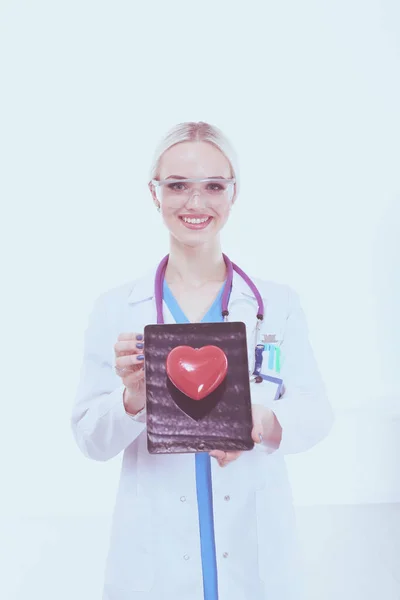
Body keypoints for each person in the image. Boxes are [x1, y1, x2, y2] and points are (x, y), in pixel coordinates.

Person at [71, 121, 334, 600]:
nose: (195, 203)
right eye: (177, 186)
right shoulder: (116, 309)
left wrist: (257, 422)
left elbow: (316, 412)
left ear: (234, 194)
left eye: (213, 186)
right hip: (155, 563)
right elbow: (89, 439)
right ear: (154, 194)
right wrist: (131, 399)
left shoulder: (275, 304)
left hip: (254, 554)